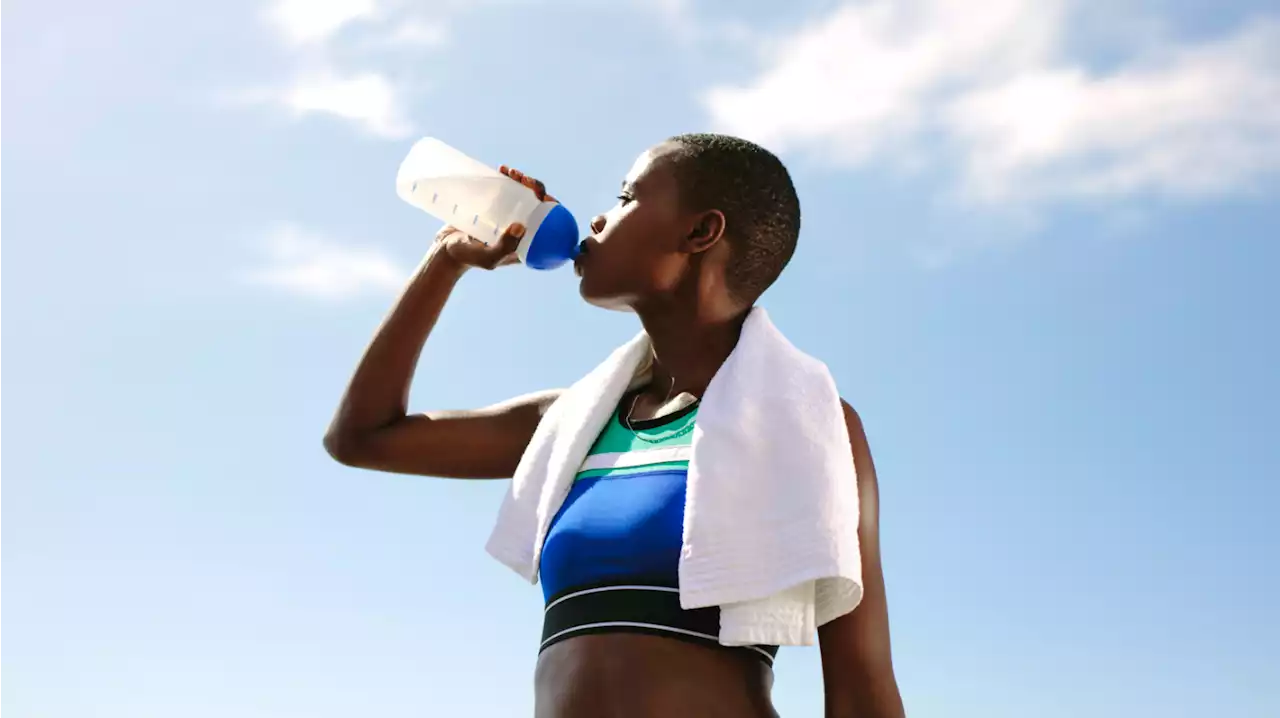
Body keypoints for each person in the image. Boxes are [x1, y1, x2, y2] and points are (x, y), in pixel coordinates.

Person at [324, 133, 906, 718]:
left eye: (627, 197)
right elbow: (362, 436)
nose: (598, 219)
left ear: (700, 233)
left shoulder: (805, 423)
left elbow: (861, 686)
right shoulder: (574, 423)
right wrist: (446, 259)